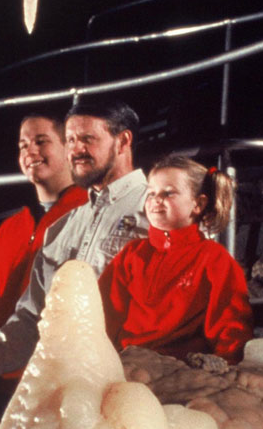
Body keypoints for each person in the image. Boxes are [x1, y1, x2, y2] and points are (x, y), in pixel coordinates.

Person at [0, 97, 149, 385]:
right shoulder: (62, 228)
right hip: (70, 386)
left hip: (137, 384)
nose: (76, 150)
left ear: (123, 142)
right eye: (70, 140)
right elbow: (34, 315)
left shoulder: (157, 208)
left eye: (87, 139)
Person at [0, 113, 87, 419]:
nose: (29, 152)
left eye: (41, 141)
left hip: (56, 384)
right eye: (23, 145)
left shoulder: (87, 216)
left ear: (68, 148)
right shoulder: (11, 228)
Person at [98, 154, 253, 362]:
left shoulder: (214, 259)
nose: (156, 200)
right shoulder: (132, 254)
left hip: (181, 369)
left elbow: (230, 325)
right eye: (151, 193)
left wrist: (226, 368)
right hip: (127, 364)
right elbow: (104, 313)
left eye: (168, 193)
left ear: (198, 204)